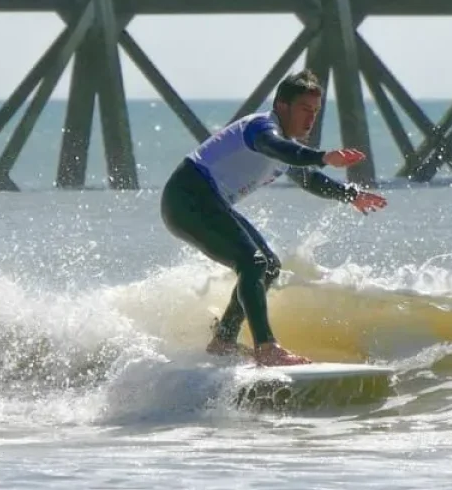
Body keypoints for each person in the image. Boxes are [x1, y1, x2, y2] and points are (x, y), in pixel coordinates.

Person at [160, 70, 388, 366]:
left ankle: (223, 341)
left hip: (207, 200)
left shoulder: (286, 144)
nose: (311, 119)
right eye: (305, 109)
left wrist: (351, 194)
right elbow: (278, 149)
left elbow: (310, 180)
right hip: (188, 196)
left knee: (267, 266)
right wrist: (322, 156)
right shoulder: (262, 128)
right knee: (252, 262)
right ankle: (266, 348)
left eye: (316, 112)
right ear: (282, 105)